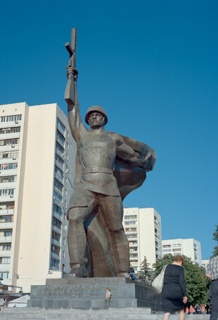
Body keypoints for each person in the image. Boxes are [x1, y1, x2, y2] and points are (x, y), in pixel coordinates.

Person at [65, 66, 155, 277]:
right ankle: (78, 266)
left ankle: (123, 270)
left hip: (107, 185)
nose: (94, 117)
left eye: (98, 115)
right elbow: (72, 109)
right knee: (74, 218)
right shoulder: (82, 135)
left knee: (116, 228)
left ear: (104, 119)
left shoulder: (113, 138)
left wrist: (142, 161)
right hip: (86, 185)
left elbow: (131, 157)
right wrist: (72, 79)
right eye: (91, 115)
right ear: (87, 120)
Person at [161, 255, 188, 320]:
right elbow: (182, 282)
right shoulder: (180, 269)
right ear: (181, 261)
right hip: (177, 292)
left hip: (166, 291)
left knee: (167, 312)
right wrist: (185, 295)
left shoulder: (165, 267)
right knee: (181, 311)